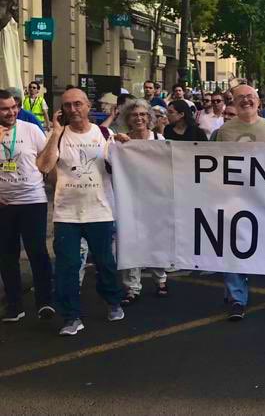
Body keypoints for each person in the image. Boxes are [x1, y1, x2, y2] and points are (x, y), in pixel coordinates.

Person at [36, 87, 124, 336]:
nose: (73, 110)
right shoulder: (58, 136)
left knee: (105, 262)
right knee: (67, 266)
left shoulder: (104, 133)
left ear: (87, 106)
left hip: (100, 211)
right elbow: (43, 166)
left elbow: (118, 167)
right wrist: (55, 133)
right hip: (66, 214)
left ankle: (113, 300)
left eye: (77, 104)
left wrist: (124, 147)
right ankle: (71, 316)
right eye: (67, 105)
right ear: (61, 109)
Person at [214, 84, 265, 320]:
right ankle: (237, 299)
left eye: (250, 97)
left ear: (258, 101)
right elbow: (213, 164)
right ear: (232, 102)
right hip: (235, 199)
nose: (246, 101)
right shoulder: (224, 131)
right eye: (240, 98)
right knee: (234, 247)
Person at [0, 89, 53, 322]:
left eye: (13, 107)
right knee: (6, 255)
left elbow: (47, 158)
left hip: (32, 200)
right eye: (4, 109)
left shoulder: (30, 129)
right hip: (4, 204)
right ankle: (14, 305)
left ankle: (45, 302)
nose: (11, 112)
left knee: (37, 252)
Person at [116, 99, 168, 304]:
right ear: (127, 119)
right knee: (131, 240)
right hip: (130, 198)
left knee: (157, 238)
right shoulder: (121, 141)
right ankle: (131, 287)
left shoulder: (159, 138)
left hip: (155, 197)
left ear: (149, 118)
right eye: (134, 115)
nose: (138, 118)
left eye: (142, 115)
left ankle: (160, 279)